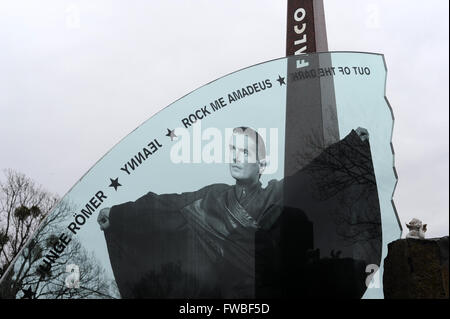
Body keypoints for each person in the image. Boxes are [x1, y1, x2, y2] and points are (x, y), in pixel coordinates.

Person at [98, 127, 382, 298]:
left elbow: (312, 177)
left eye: (245, 153)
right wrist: (120, 214)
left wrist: (350, 147)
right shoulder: (212, 196)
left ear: (263, 164)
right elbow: (166, 206)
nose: (236, 157)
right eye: (233, 150)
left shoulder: (277, 194)